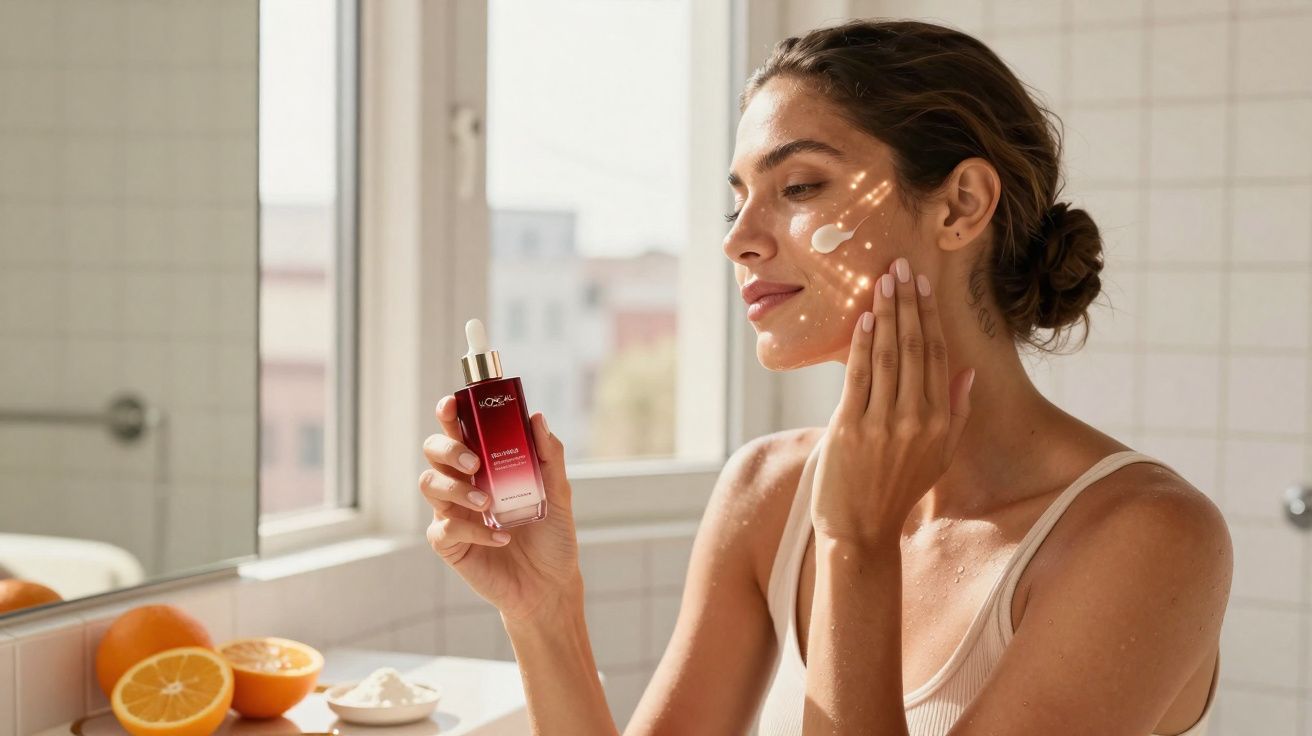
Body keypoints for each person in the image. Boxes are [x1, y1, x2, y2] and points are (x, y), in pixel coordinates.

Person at [418, 18, 1232, 736]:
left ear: (960, 206)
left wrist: (856, 543)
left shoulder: (1148, 539)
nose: (739, 239)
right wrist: (543, 613)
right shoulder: (767, 493)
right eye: (735, 199)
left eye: (799, 186)